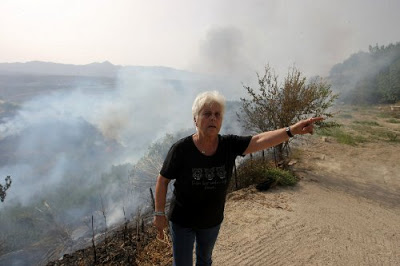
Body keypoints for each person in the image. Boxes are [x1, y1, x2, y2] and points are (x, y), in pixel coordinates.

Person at [153, 91, 323, 266]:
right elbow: (163, 180)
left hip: (211, 221)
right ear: (195, 119)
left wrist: (291, 130)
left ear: (221, 120)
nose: (213, 118)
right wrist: (159, 213)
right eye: (207, 113)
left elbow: (259, 140)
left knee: (205, 260)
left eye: (217, 114)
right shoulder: (181, 149)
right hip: (183, 220)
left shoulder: (229, 145)